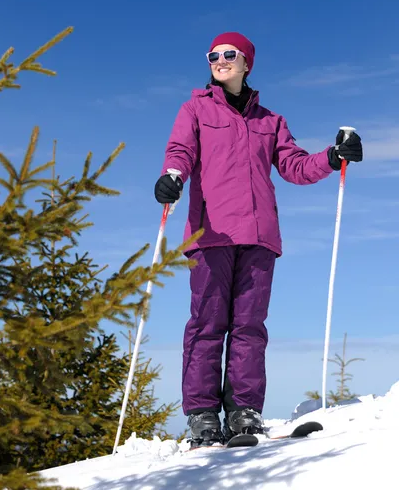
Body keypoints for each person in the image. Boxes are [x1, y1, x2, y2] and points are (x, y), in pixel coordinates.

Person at [154, 32, 363, 447]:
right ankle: (202, 417)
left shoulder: (270, 121)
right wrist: (172, 176)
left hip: (259, 235)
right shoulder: (195, 109)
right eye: (213, 55)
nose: (219, 60)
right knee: (207, 325)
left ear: (246, 62)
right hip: (209, 233)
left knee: (250, 327)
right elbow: (180, 150)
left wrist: (333, 157)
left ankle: (244, 413)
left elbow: (294, 166)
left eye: (228, 54)